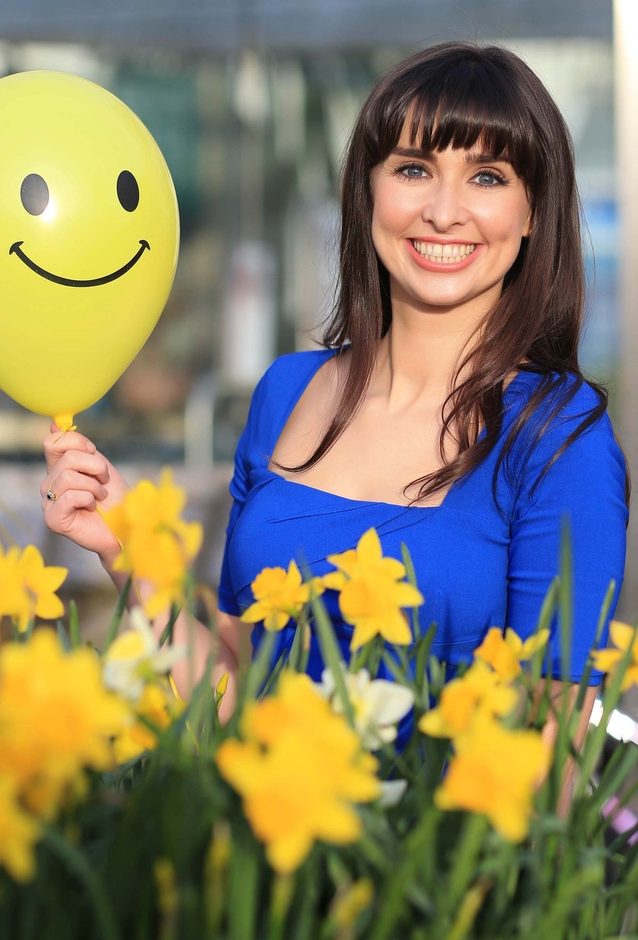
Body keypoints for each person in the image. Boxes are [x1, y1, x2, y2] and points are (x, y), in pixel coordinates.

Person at [41, 42, 629, 782]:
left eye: (487, 176)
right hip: (264, 867)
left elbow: (557, 759)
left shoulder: (560, 437)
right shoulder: (286, 393)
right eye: (414, 169)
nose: (443, 212)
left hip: (434, 883)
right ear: (369, 191)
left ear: (532, 212)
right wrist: (125, 550)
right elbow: (233, 695)